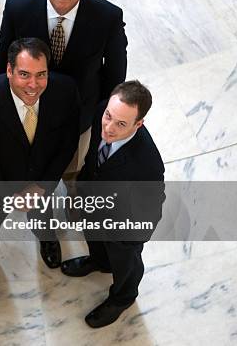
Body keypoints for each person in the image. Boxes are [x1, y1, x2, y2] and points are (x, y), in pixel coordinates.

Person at [0, 0, 127, 179]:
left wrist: (97, 119)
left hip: (78, 118)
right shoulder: (17, 8)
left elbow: (115, 76)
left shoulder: (108, 17)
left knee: (71, 173)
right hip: (28, 111)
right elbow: (3, 64)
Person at [0, 38, 79, 267]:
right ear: (9, 70)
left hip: (42, 179)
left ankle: (46, 238)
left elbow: (67, 143)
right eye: (24, 74)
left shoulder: (66, 91)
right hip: (0, 184)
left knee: (43, 218)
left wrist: (42, 186)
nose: (33, 85)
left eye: (41, 74)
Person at [61, 80, 165, 328]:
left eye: (121, 124)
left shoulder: (147, 164)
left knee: (126, 264)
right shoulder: (102, 112)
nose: (108, 128)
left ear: (138, 124)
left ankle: (123, 297)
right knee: (95, 241)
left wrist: (128, 242)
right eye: (108, 116)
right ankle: (100, 262)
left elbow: (151, 212)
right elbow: (92, 160)